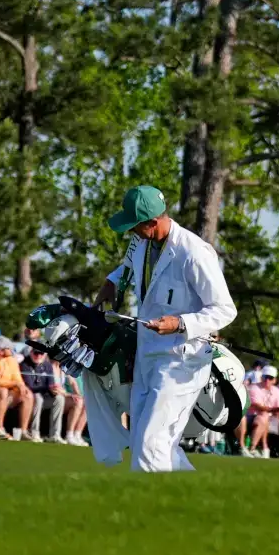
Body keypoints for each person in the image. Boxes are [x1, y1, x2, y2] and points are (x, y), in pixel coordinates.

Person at [92, 183, 238, 472]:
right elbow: (127, 268)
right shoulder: (141, 243)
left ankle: (145, 509)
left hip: (181, 361)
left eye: (135, 226)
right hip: (147, 356)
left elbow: (225, 309)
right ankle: (193, 498)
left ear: (152, 222)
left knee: (150, 444)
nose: (130, 232)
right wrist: (110, 283)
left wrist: (181, 322)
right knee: (153, 443)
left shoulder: (194, 253)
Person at [19, 343, 65, 443]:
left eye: (41, 353)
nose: (38, 355)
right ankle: (34, 432)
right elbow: (30, 386)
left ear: (44, 354)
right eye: (36, 353)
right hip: (31, 397)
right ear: (31, 352)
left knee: (59, 399)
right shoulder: (25, 364)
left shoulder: (47, 365)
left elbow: (51, 382)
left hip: (45, 396)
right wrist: (48, 388)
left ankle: (55, 435)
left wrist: (53, 389)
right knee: (37, 397)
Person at [0, 338, 27, 438]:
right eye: (9, 349)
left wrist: (21, 385)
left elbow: (17, 378)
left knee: (28, 395)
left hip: (7, 390)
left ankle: (24, 431)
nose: (11, 351)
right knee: (1, 391)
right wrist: (14, 384)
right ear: (1, 351)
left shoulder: (11, 360)